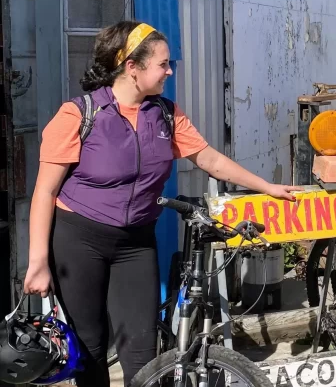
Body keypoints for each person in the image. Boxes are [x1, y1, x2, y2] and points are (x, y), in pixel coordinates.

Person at [21, 21, 302, 387]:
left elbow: (209, 159)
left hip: (136, 243)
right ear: (132, 67)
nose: (169, 71)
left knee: (141, 351)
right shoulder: (79, 115)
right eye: (163, 64)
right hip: (79, 241)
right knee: (89, 347)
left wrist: (266, 186)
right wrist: (38, 262)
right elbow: (44, 192)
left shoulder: (166, 114)